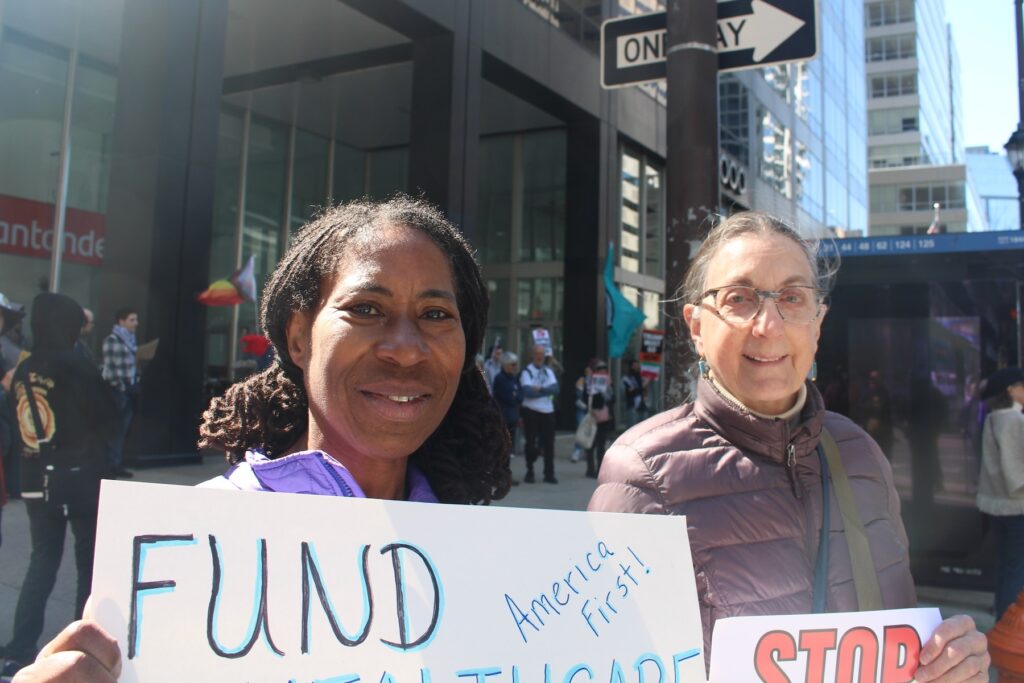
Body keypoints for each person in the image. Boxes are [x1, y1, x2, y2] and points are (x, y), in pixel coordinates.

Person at [13, 196, 511, 682]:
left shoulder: (496, 566)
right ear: (298, 338)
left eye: (436, 314)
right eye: (365, 308)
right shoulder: (189, 548)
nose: (405, 349)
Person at [589, 211, 990, 680]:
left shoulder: (860, 453)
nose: (769, 325)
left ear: (818, 324)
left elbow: (897, 634)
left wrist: (948, 665)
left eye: (793, 298)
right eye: (739, 298)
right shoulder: (641, 476)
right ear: (696, 326)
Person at [1, 294, 118, 678]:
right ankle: (81, 647)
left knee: (43, 559)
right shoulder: (78, 367)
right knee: (88, 562)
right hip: (81, 478)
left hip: (37, 480)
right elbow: (108, 419)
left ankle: (19, 647)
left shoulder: (24, 368)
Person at [977, 366, 1024, 621]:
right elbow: (1016, 472)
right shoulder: (1015, 420)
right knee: (1017, 569)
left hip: (996, 505)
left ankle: (1001, 620)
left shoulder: (993, 417)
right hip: (1016, 506)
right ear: (1011, 390)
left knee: (1006, 565)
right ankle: (1009, 624)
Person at [100, 308, 140, 478]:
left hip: (128, 388)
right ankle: (109, 466)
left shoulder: (130, 341)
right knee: (115, 430)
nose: (135, 323)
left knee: (122, 431)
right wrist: (122, 386)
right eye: (132, 320)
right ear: (121, 321)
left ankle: (116, 464)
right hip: (117, 390)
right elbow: (112, 367)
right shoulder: (112, 340)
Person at [519, 343, 559, 484]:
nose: (539, 356)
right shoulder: (526, 371)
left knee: (549, 444)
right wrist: (545, 390)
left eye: (541, 354)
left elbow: (555, 389)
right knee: (530, 443)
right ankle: (530, 471)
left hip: (548, 411)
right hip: (531, 410)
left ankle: (549, 474)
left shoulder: (548, 371)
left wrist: (540, 389)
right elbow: (527, 392)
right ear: (532, 355)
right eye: (537, 353)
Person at [491, 351, 521, 485]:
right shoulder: (500, 378)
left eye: (515, 364)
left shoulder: (514, 378)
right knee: (502, 448)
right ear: (505, 365)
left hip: (512, 417)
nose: (515, 367)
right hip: (503, 417)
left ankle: (506, 475)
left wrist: (515, 395)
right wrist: (514, 396)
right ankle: (499, 476)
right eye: (512, 364)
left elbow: (520, 396)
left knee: (509, 449)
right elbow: (509, 397)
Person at [583, 358, 614, 479]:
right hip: (593, 416)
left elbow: (613, 399)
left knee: (601, 445)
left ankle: (600, 469)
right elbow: (585, 399)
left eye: (604, 370)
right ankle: (590, 469)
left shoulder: (608, 383)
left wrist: (607, 391)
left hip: (605, 417)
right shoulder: (589, 383)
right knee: (590, 443)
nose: (602, 372)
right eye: (599, 370)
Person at [570, 364, 593, 463]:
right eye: (586, 372)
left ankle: (587, 451)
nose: (588, 374)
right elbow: (577, 397)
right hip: (582, 409)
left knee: (589, 431)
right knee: (580, 430)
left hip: (592, 410)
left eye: (590, 372)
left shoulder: (595, 382)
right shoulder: (581, 381)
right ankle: (577, 451)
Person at [621, 358, 649, 427]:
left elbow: (642, 389)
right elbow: (630, 391)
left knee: (643, 427)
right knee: (632, 428)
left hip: (642, 405)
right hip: (632, 405)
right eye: (634, 365)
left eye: (637, 365)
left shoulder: (641, 377)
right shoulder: (626, 378)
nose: (636, 367)